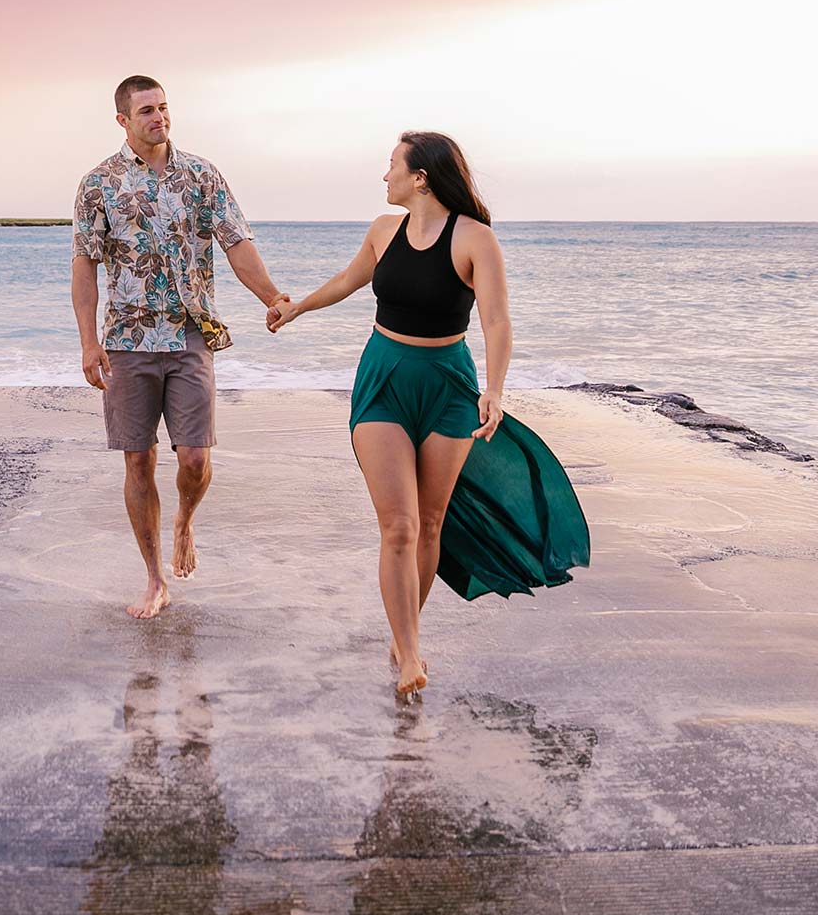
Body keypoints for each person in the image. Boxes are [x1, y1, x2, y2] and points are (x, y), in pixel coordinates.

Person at [267, 131, 589, 697]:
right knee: (399, 524)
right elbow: (348, 280)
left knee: (431, 522)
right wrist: (297, 308)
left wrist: (494, 388)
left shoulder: (475, 239)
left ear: (420, 178)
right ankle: (410, 651)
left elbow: (496, 322)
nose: (383, 176)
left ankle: (404, 632)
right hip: (384, 381)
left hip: (449, 387)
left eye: (391, 166)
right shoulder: (383, 230)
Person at [72, 75, 287, 620]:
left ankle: (184, 522)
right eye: (146, 110)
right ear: (123, 119)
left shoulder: (202, 175)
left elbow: (237, 243)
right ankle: (153, 577)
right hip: (127, 340)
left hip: (192, 334)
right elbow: (84, 267)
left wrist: (273, 298)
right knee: (138, 460)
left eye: (164, 107)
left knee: (194, 458)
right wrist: (88, 341)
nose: (158, 117)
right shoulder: (99, 184)